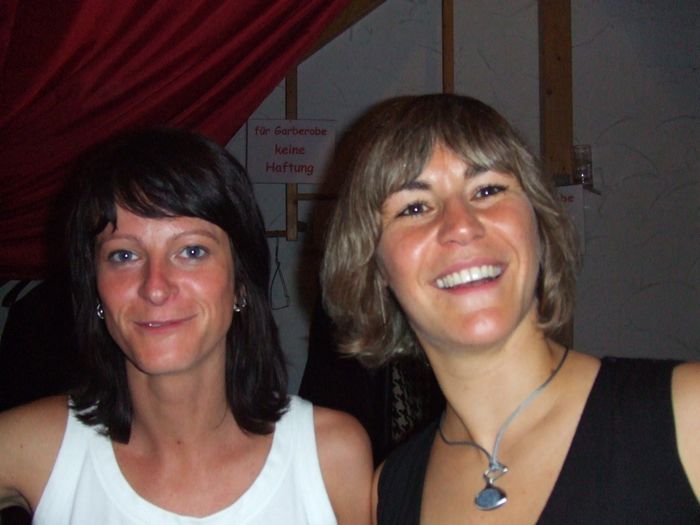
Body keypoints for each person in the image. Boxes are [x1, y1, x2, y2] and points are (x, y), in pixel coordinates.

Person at [321, 94, 700, 524]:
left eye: (487, 190)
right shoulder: (388, 492)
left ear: (539, 223)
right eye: (415, 207)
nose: (461, 225)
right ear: (374, 267)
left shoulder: (688, 415)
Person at [0, 128, 372, 523]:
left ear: (240, 281)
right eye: (124, 255)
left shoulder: (331, 457)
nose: (155, 287)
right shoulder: (32, 449)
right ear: (94, 286)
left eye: (192, 251)